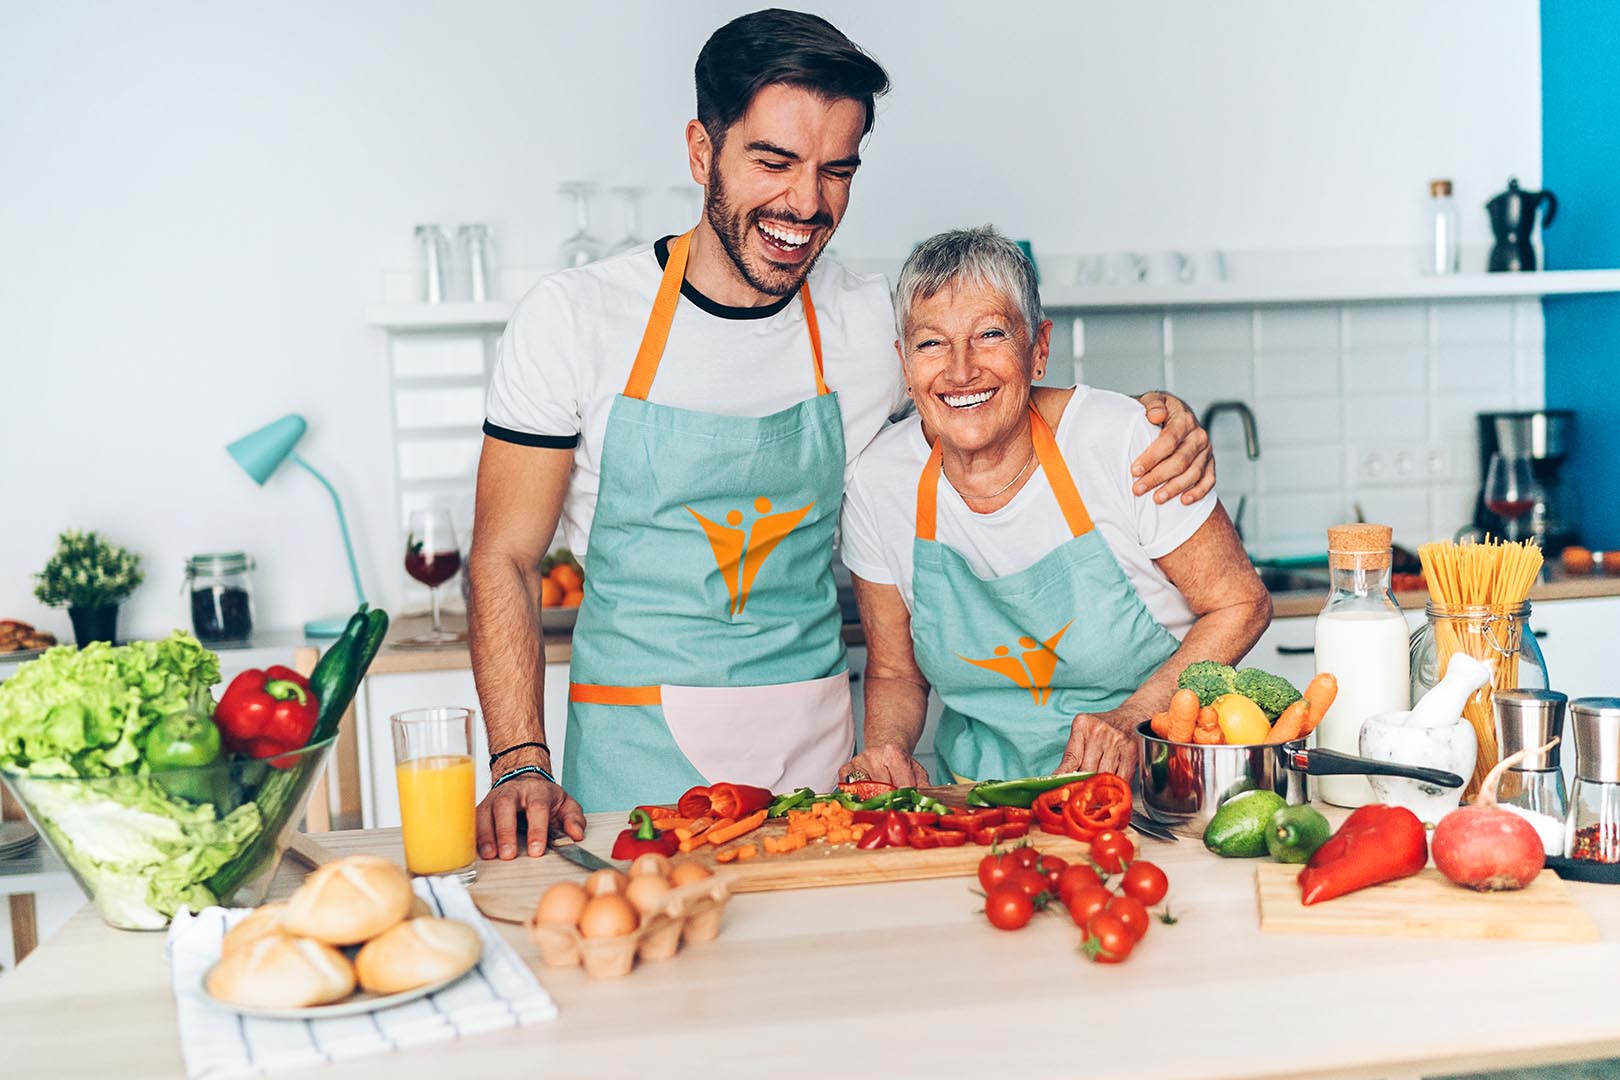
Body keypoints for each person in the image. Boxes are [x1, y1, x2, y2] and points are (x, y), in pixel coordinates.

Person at [469, 10, 1216, 861]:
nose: (806, 204)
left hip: (823, 763)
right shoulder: (575, 319)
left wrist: (1152, 418)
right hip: (631, 755)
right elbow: (505, 558)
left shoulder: (867, 325)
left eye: (836, 171)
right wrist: (519, 759)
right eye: (773, 162)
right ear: (700, 151)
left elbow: (988, 404)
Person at [838, 227, 1272, 786]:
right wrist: (888, 751)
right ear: (904, 363)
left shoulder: (1122, 443)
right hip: (981, 803)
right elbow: (896, 671)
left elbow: (1241, 603)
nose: (961, 369)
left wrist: (1135, 719)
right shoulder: (878, 482)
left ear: (1038, 348)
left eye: (990, 334)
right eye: (931, 343)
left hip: (1152, 791)